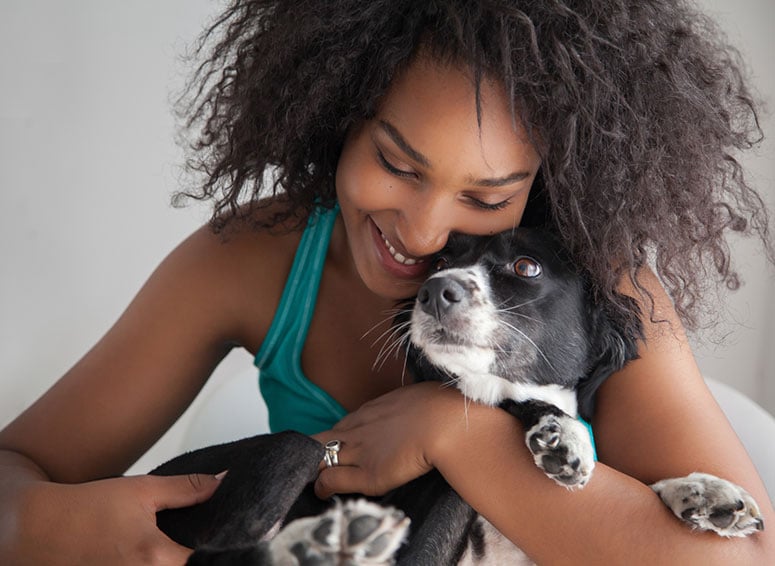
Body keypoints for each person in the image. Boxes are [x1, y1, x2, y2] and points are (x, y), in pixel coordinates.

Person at [1, 0, 774, 563]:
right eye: (396, 165)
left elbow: (734, 560)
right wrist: (38, 526)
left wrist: (453, 431)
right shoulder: (252, 259)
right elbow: (15, 469)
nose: (424, 231)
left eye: (485, 196)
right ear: (338, 118)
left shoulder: (602, 288)